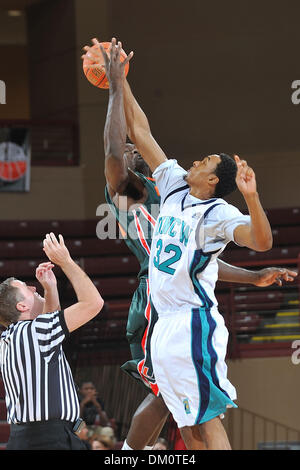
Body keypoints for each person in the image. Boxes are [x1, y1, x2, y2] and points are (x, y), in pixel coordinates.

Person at [81, 38, 297, 450]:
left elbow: (257, 242)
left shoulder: (209, 209)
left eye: (205, 161)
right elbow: (136, 131)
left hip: (190, 322)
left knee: (200, 418)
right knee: (187, 422)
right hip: (161, 317)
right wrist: (120, 78)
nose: (195, 160)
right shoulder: (156, 187)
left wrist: (251, 199)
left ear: (213, 181)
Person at [0, 233, 104, 450]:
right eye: (27, 289)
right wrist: (66, 261)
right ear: (22, 307)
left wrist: (51, 289)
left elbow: (49, 324)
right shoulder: (37, 332)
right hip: (49, 439)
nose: (34, 287)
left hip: (24, 438)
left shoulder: (9, 338)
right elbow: (94, 303)